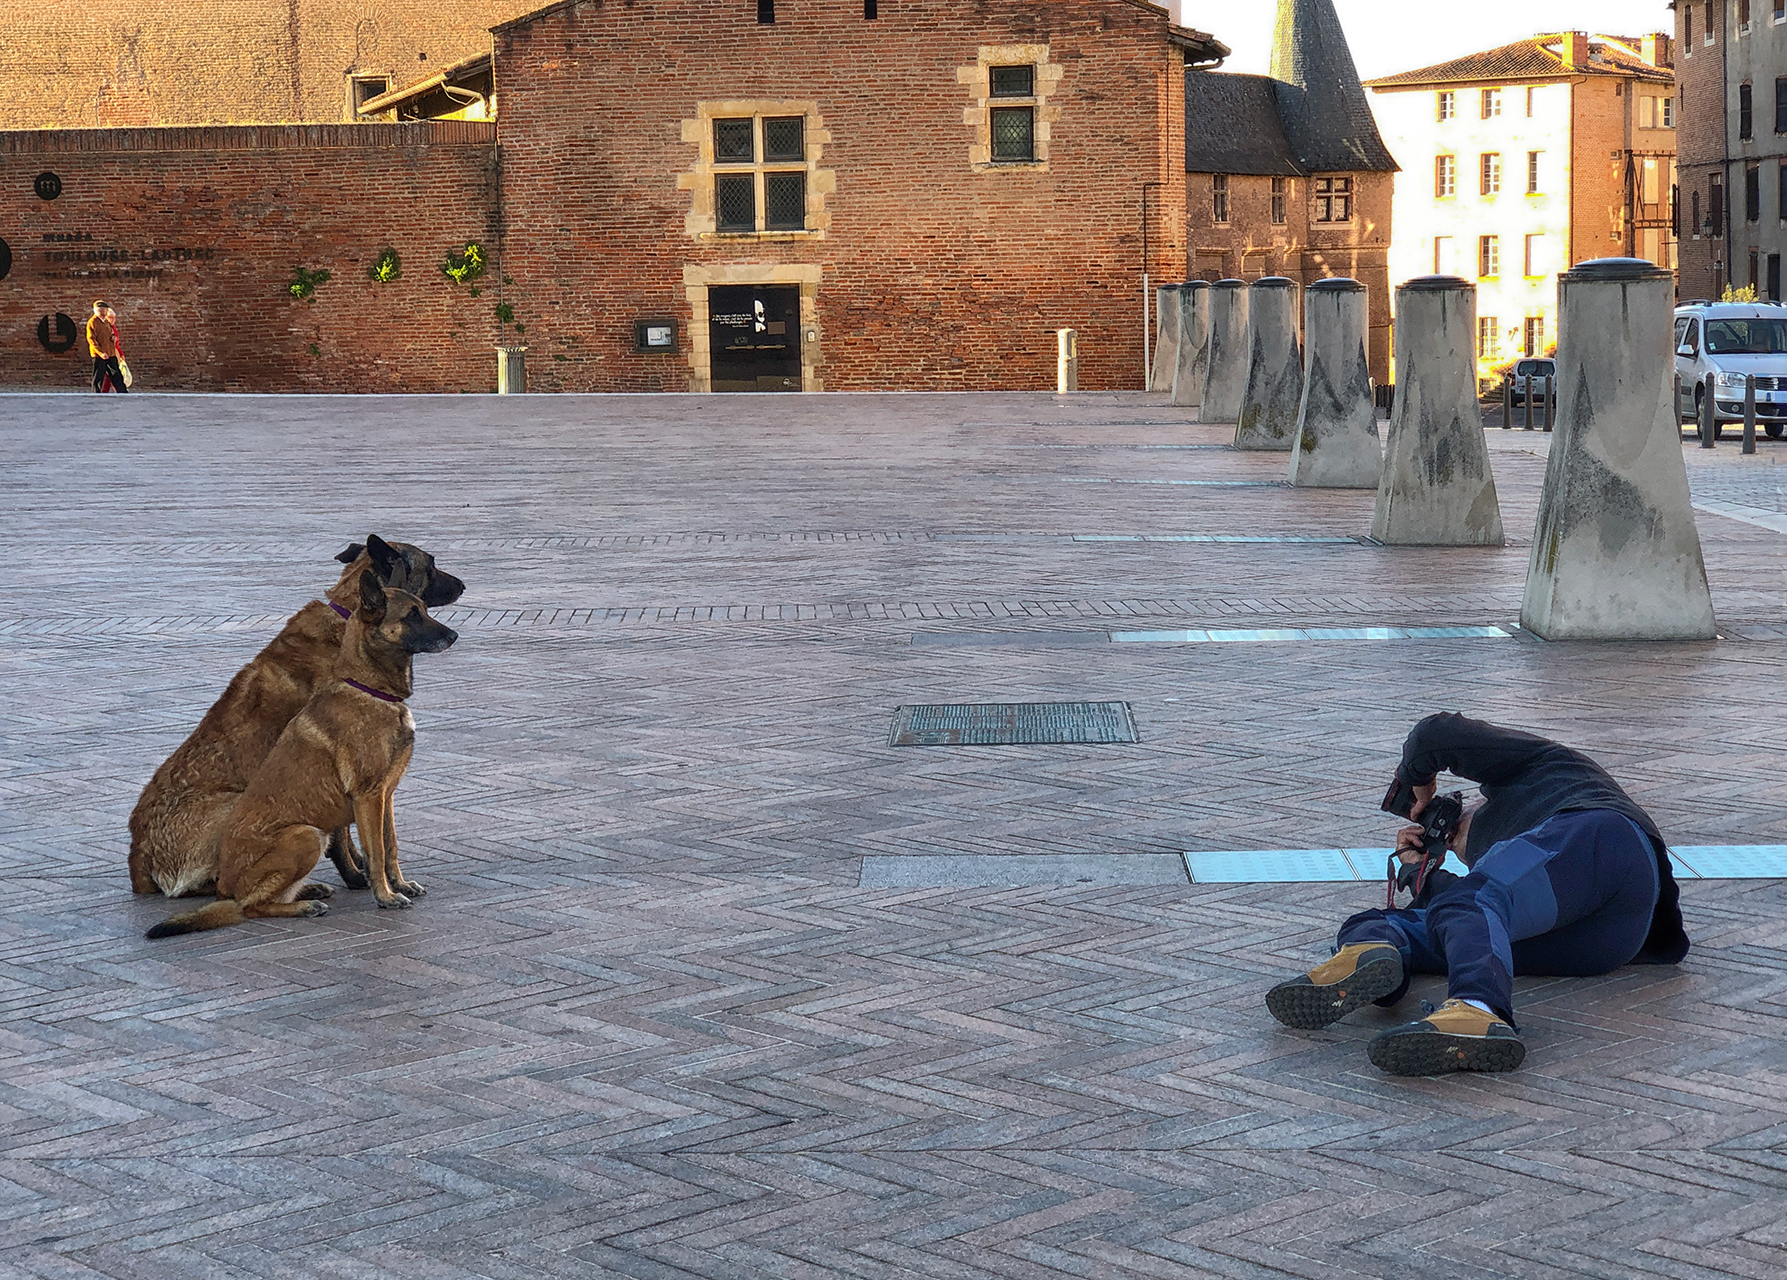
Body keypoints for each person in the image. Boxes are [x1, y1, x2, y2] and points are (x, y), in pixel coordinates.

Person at [1265, 713, 1689, 1076]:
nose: (1449, 840)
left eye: (1451, 828)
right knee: (1396, 920)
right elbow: (1463, 914)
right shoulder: (1510, 868)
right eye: (1445, 844)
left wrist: (1418, 784)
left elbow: (1436, 733)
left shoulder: (1544, 771)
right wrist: (1416, 871)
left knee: (1471, 901)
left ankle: (1477, 1008)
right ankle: (1370, 953)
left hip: (1604, 841)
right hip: (1602, 943)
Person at [87, 299, 126, 393]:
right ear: (97, 310)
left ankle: (123, 392)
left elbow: (110, 333)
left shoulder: (106, 322)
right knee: (99, 375)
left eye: (105, 309)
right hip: (100, 354)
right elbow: (91, 339)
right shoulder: (93, 322)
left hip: (110, 352)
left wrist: (113, 337)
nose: (105, 311)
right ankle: (96, 393)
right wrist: (100, 352)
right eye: (103, 309)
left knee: (116, 373)